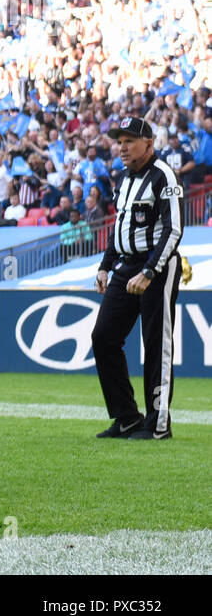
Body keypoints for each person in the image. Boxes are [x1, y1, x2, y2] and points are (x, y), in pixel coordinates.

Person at [91, 117, 183, 441]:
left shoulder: (164, 176)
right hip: (126, 266)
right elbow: (119, 229)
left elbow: (173, 230)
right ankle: (127, 417)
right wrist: (105, 265)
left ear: (149, 142)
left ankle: (159, 424)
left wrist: (149, 271)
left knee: (156, 344)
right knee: (103, 336)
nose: (122, 147)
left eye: (129, 140)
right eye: (119, 141)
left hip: (156, 267)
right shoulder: (124, 179)